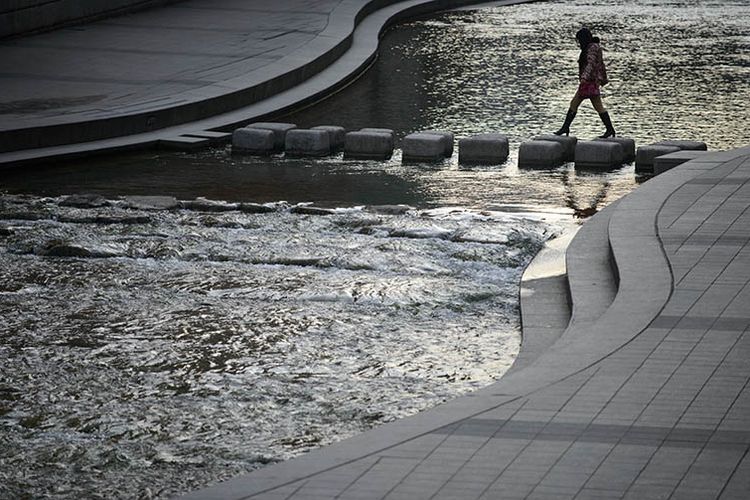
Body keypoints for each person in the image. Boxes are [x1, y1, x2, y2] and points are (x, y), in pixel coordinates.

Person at [554, 27, 616, 138]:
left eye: (579, 40)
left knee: (576, 103)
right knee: (596, 106)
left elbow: (590, 64)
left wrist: (584, 77)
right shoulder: (593, 46)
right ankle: (610, 129)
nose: (578, 43)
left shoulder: (591, 48)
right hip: (592, 82)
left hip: (589, 82)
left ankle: (565, 128)